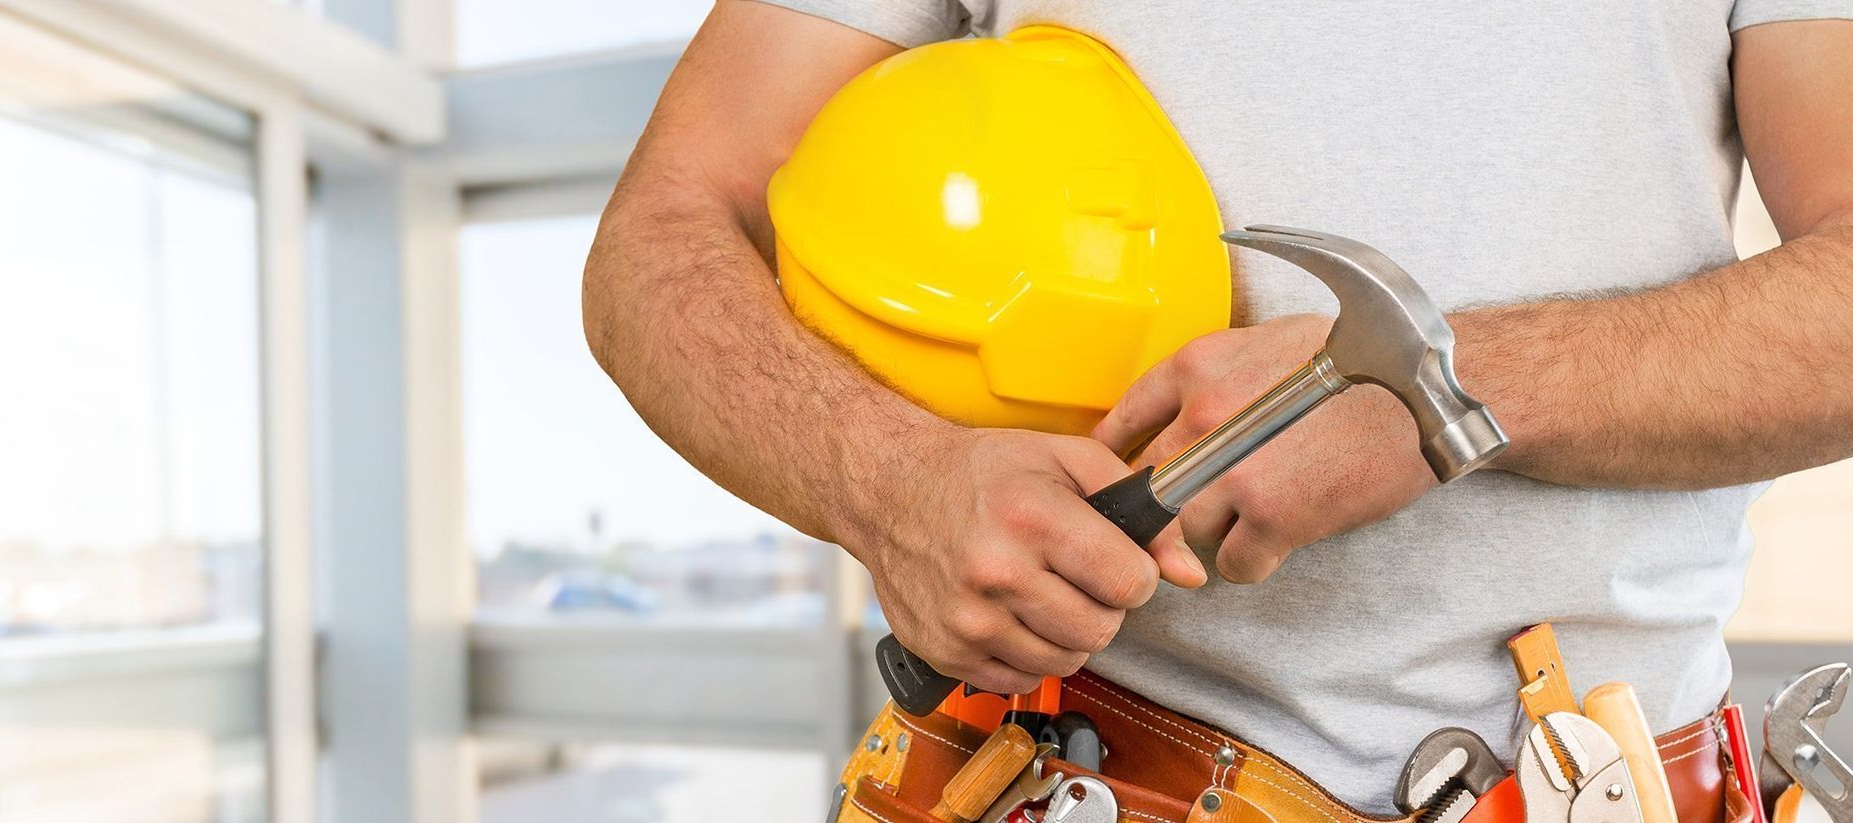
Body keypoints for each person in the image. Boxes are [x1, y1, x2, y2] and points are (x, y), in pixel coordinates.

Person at [582, 0, 1853, 810]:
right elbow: (666, 232)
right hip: (1066, 772)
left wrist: (1446, 386)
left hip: (1607, 776)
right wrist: (887, 479)